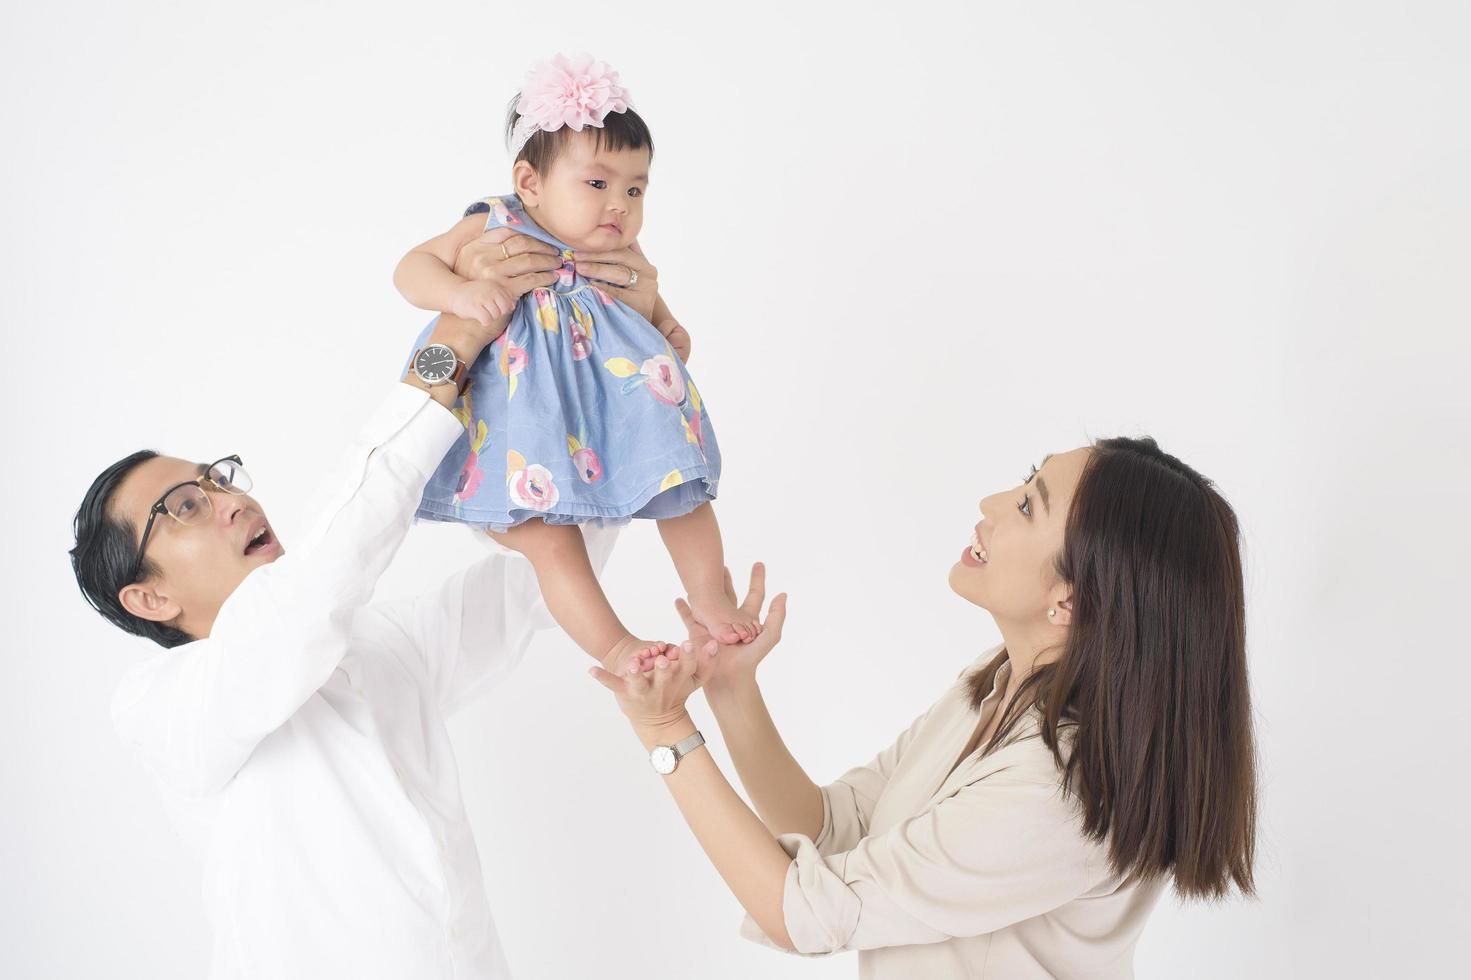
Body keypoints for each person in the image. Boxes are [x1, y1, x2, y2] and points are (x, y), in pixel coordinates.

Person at [68, 290, 655, 978]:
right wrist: (446, 355)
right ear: (151, 596)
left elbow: (539, 582)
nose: (232, 500)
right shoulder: (161, 706)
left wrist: (628, 398)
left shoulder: (381, 643)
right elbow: (306, 599)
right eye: (188, 506)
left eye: (217, 480)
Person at [593, 440, 1258, 978]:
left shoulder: (1060, 792)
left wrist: (665, 732)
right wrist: (731, 689)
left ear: (1073, 600)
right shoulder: (996, 682)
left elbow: (801, 913)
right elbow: (836, 827)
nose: (990, 503)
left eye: (1027, 507)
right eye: (1024, 481)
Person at [394, 53, 757, 680]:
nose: (618, 204)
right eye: (597, 183)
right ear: (530, 183)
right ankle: (615, 647)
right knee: (549, 542)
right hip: (524, 426)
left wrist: (667, 326)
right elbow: (410, 268)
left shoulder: (619, 248)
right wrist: (456, 294)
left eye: (635, 189)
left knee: (680, 489)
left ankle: (709, 596)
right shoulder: (495, 221)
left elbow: (646, 299)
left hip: (616, 407)